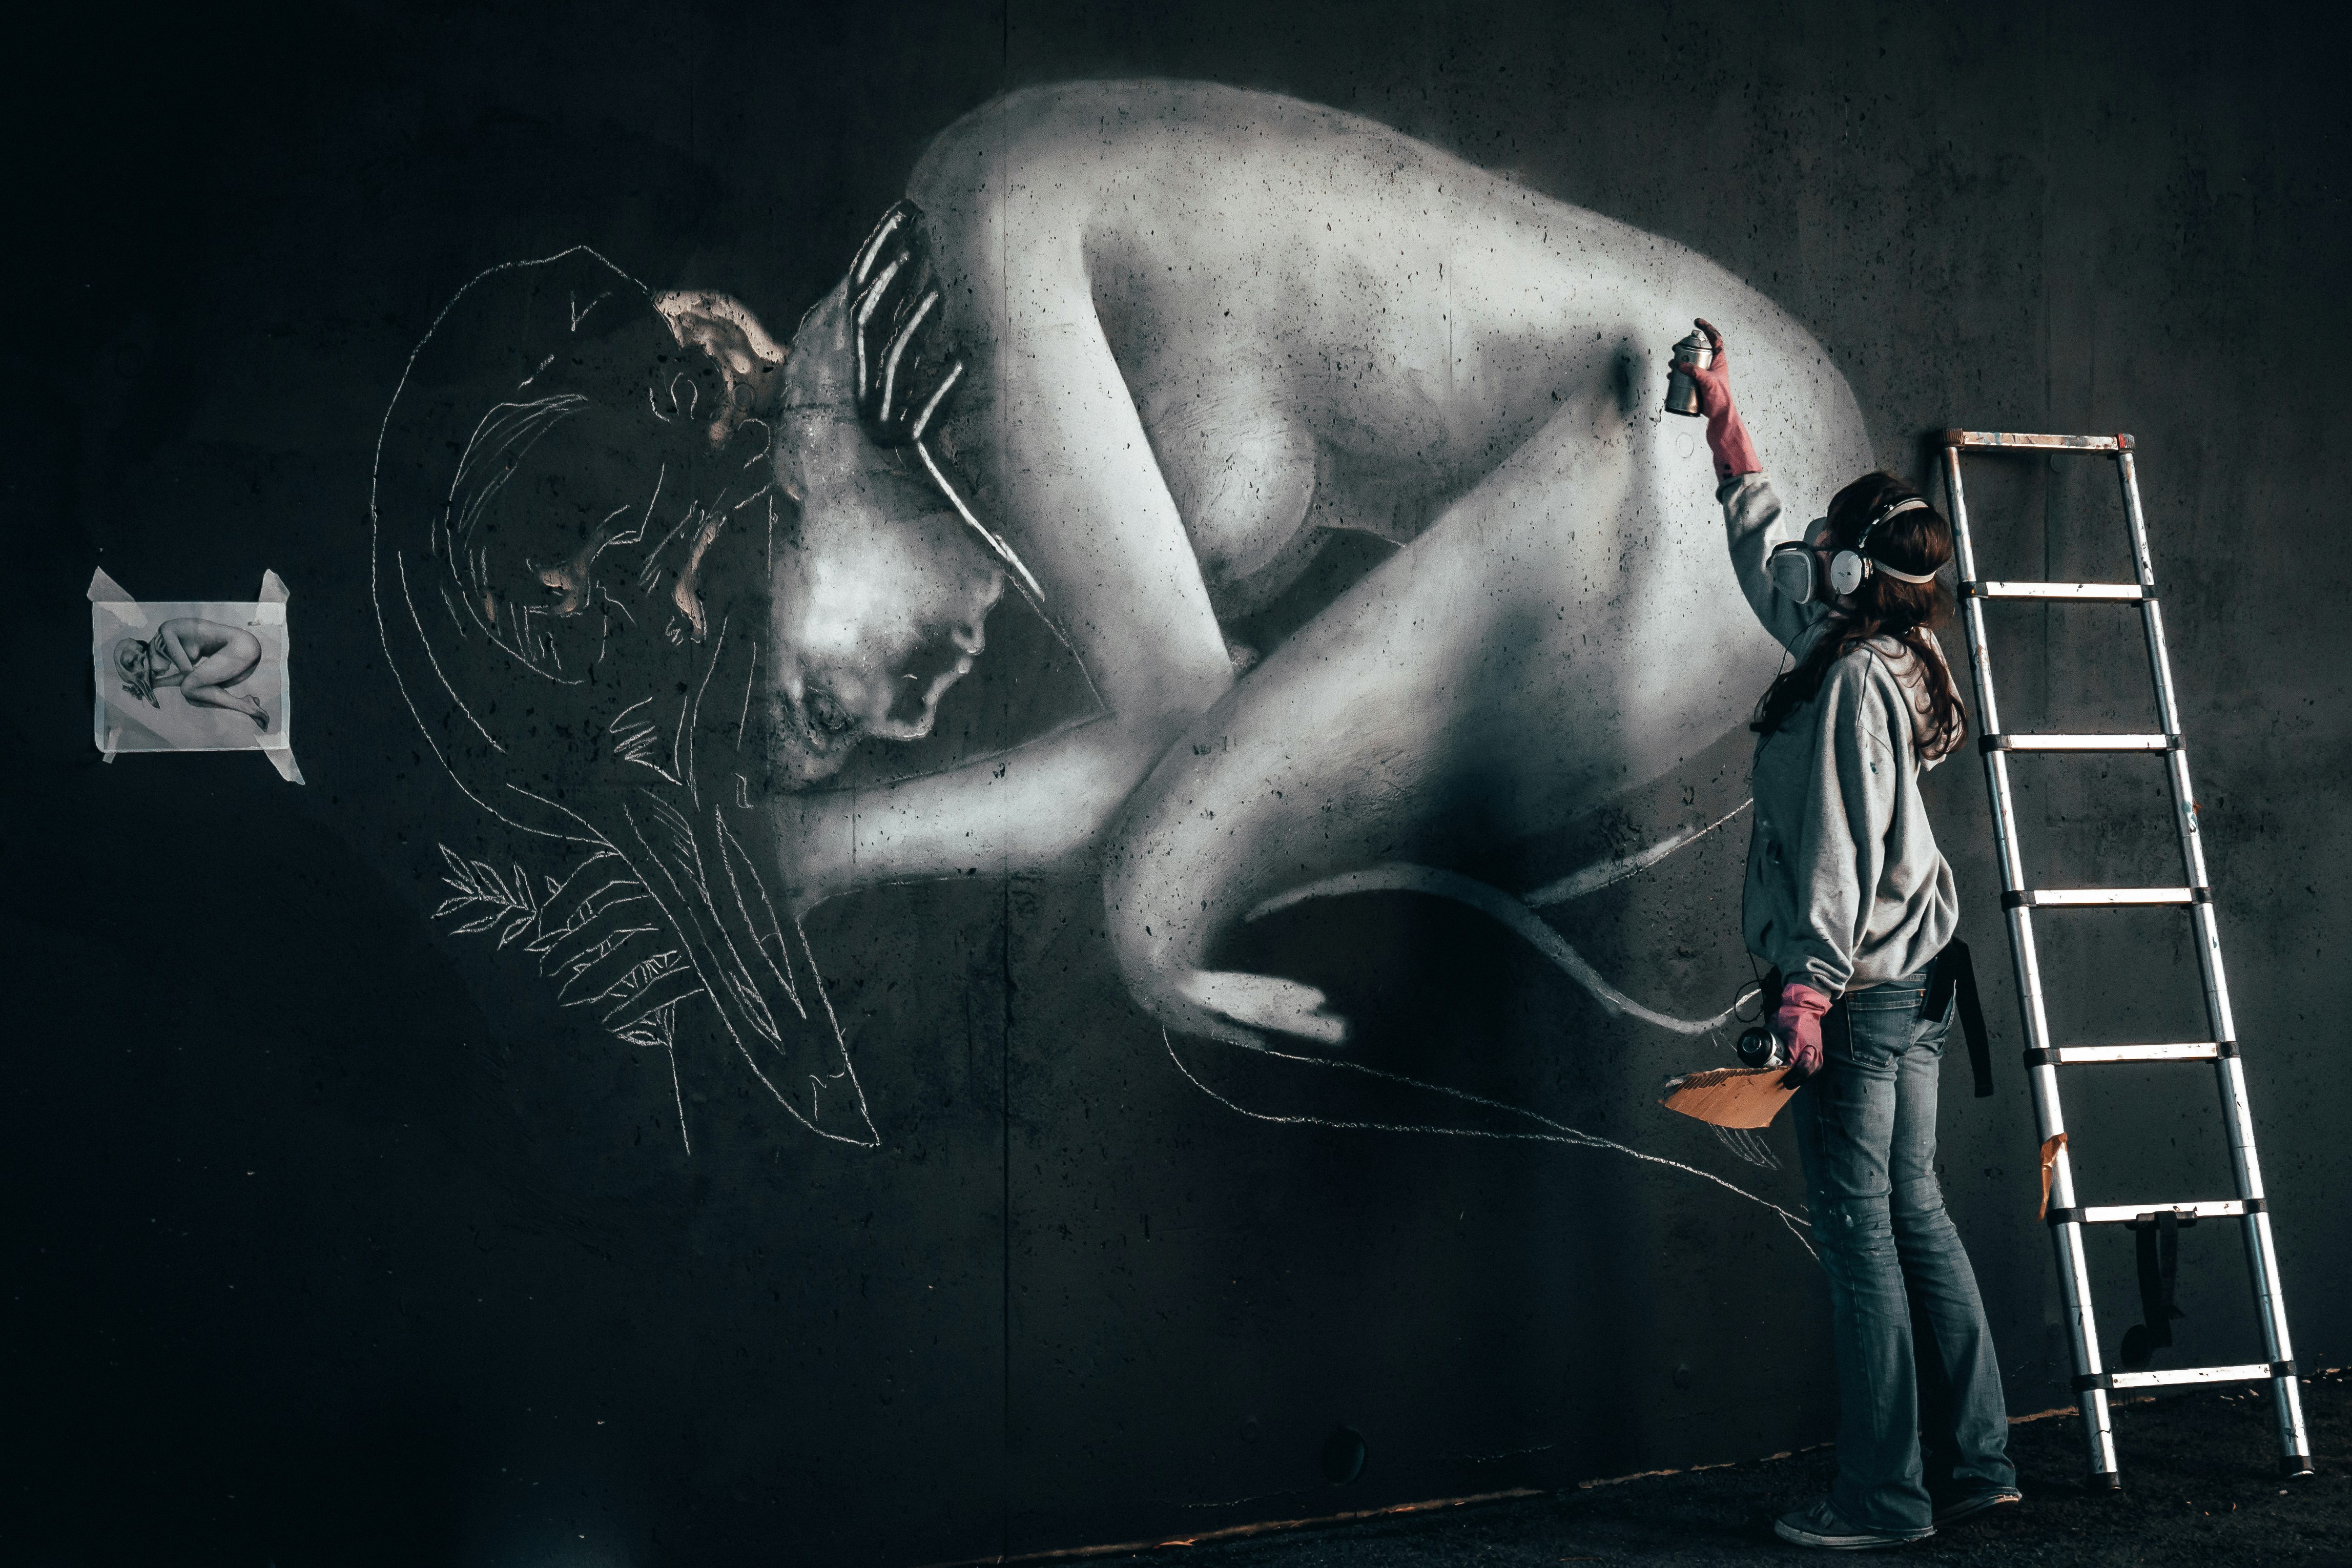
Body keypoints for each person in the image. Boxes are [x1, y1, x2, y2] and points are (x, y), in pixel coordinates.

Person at [376, 81, 1871, 1126]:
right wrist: (815, 850)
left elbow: (1183, 739)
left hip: (1698, 438)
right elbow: (1196, 734)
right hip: (1689, 479)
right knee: (1195, 884)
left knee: (1167, 876)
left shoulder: (977, 244)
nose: (911, 708)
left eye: (813, 691)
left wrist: (821, 849)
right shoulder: (955, 377)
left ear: (751, 491)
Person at [1680, 321, 2019, 1548]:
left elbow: (1835, 853)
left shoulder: (1843, 689)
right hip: (1916, 978)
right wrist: (1719, 417)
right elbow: (1759, 549)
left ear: (1848, 570)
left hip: (1861, 990)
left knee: (1861, 1237)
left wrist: (1802, 997)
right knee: (1913, 1210)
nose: (1808, 542)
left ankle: (1883, 1500)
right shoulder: (1886, 646)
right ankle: (1979, 1464)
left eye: (1827, 533)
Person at [112, 618, 270, 730]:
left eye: (155, 671)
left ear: (144, 654)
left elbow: (188, 674)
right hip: (243, 659)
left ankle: (247, 706)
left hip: (244, 648)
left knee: (189, 688)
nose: (161, 673)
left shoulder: (166, 632)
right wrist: (155, 683)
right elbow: (192, 676)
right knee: (192, 697)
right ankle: (245, 704)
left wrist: (157, 684)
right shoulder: (163, 646)